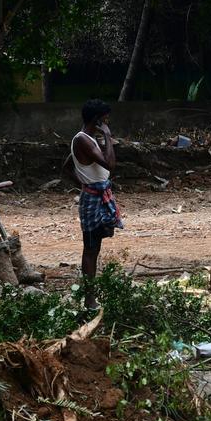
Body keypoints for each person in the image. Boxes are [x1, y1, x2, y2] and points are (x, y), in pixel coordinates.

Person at [61, 99, 122, 309]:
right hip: (92, 199)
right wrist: (107, 136)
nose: (107, 123)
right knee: (90, 248)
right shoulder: (82, 140)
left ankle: (91, 296)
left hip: (98, 194)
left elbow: (67, 166)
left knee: (95, 245)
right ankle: (89, 299)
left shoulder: (87, 139)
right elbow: (110, 164)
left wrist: (83, 180)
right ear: (97, 120)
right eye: (105, 119)